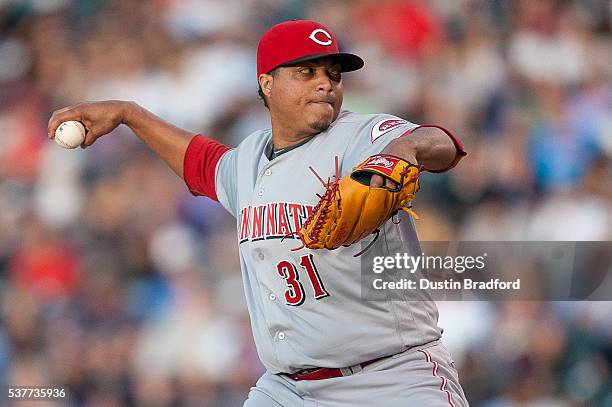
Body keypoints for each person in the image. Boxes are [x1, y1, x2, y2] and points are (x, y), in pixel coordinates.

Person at [49, 20, 468, 407]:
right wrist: (129, 114)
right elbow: (201, 163)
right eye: (306, 72)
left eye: (332, 74)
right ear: (266, 83)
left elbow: (437, 142)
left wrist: (403, 151)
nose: (325, 84)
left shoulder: (360, 135)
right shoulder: (248, 158)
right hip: (286, 388)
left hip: (391, 378)